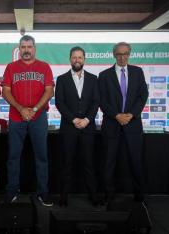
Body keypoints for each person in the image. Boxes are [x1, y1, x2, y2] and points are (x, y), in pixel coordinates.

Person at [2, 35, 55, 206]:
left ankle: (43, 192)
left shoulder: (44, 67)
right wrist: (21, 109)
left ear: (34, 48)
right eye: (23, 47)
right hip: (17, 117)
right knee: (13, 156)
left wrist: (33, 109)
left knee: (41, 156)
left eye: (29, 47)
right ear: (19, 49)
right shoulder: (11, 67)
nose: (26, 50)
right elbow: (6, 91)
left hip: (38, 117)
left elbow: (49, 91)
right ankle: (12, 191)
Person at [98, 42, 148, 204]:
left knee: (136, 161)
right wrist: (117, 115)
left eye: (125, 53)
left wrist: (131, 114)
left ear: (129, 54)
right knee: (109, 162)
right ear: (114, 54)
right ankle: (109, 195)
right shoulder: (104, 75)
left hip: (133, 125)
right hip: (111, 125)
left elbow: (143, 96)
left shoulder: (138, 72)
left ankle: (139, 195)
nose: (122, 57)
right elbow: (102, 100)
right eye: (119, 54)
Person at [55, 46, 100, 207]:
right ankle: (63, 197)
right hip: (69, 128)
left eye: (80, 57)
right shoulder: (62, 79)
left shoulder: (94, 79)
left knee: (89, 164)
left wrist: (87, 119)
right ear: (70, 59)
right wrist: (74, 119)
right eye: (74, 57)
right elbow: (60, 102)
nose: (77, 60)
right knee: (66, 164)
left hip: (88, 128)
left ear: (84, 59)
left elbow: (96, 101)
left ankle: (93, 196)